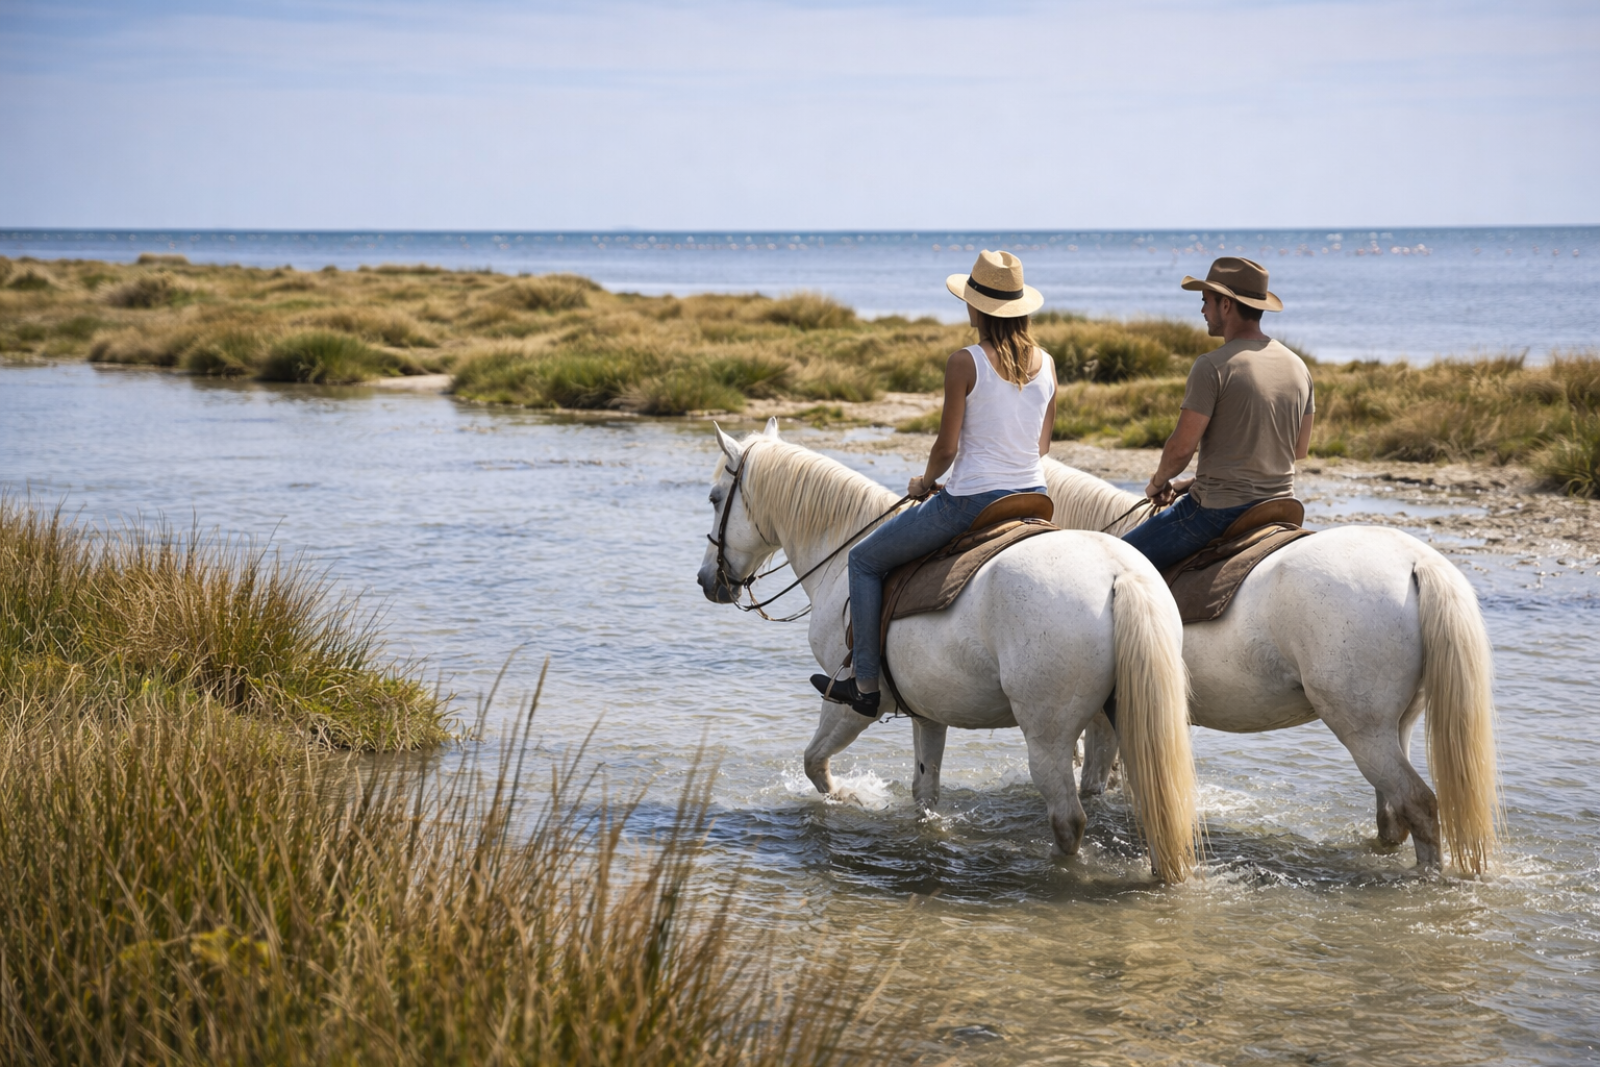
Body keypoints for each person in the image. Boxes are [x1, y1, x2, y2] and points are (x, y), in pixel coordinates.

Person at [812, 250, 1058, 716]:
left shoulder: (964, 362)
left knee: (863, 561)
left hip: (971, 503)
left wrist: (924, 483)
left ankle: (864, 684)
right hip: (1033, 498)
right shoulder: (1047, 364)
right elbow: (1041, 446)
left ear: (976, 308)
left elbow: (946, 450)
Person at [1122, 257, 1314, 573]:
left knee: (1117, 561)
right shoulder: (1299, 366)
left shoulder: (1212, 366)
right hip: (1282, 508)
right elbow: (1298, 450)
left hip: (1218, 513)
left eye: (1205, 301)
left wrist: (1159, 482)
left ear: (1226, 305)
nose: (1202, 311)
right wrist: (1196, 480)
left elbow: (1181, 450)